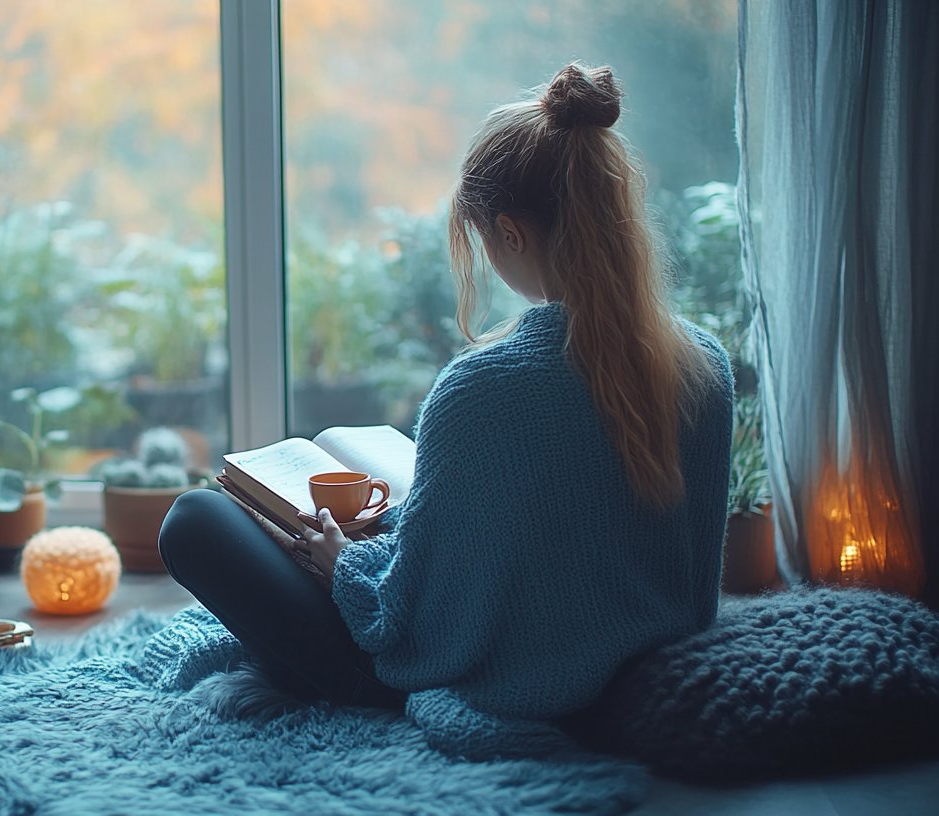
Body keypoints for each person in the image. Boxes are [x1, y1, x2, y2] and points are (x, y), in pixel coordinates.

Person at [158, 62, 734, 719]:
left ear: (511, 232)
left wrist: (345, 565)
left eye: (487, 239)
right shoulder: (703, 365)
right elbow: (679, 577)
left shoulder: (485, 388)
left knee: (194, 520)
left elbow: (411, 631)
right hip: (643, 661)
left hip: (476, 675)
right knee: (342, 444)